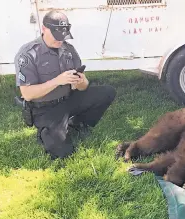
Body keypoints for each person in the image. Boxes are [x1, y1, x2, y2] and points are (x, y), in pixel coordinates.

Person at [14, 10, 116, 159]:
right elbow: (28, 94)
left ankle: (77, 124)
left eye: (63, 36)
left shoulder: (68, 50)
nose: (60, 40)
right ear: (44, 29)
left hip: (68, 99)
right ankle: (46, 132)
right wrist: (57, 81)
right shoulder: (28, 54)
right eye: (56, 35)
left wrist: (81, 81)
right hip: (45, 109)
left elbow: (83, 87)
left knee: (107, 92)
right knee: (64, 153)